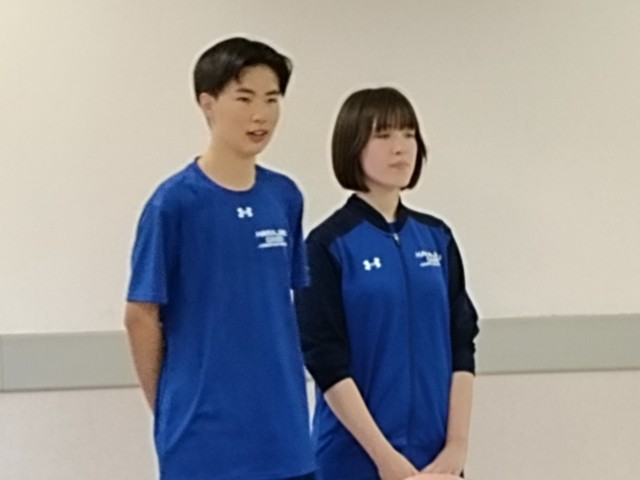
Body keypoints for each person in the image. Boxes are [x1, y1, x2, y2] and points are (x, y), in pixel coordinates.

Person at [124, 37, 315, 480]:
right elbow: (140, 316)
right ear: (207, 103)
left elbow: (281, 308)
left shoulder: (284, 197)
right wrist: (171, 410)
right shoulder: (174, 203)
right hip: (203, 442)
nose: (260, 114)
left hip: (284, 436)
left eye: (272, 99)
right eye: (244, 98)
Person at [295, 87, 479, 480]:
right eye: (383, 135)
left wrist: (456, 448)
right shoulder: (326, 245)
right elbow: (325, 359)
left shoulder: (437, 238)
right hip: (354, 460)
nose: (401, 148)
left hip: (436, 461)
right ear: (352, 146)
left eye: (409, 134)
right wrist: (385, 458)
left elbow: (462, 343)